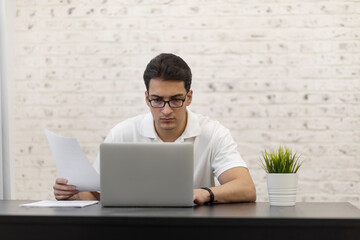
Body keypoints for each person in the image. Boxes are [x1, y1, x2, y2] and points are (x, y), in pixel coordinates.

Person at [53, 53, 256, 205]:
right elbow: (95, 194)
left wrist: (205, 193)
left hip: (193, 229)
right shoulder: (122, 132)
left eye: (176, 100)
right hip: (131, 229)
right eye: (157, 100)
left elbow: (246, 188)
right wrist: (73, 194)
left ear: (189, 97)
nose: (166, 110)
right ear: (146, 98)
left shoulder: (213, 133)